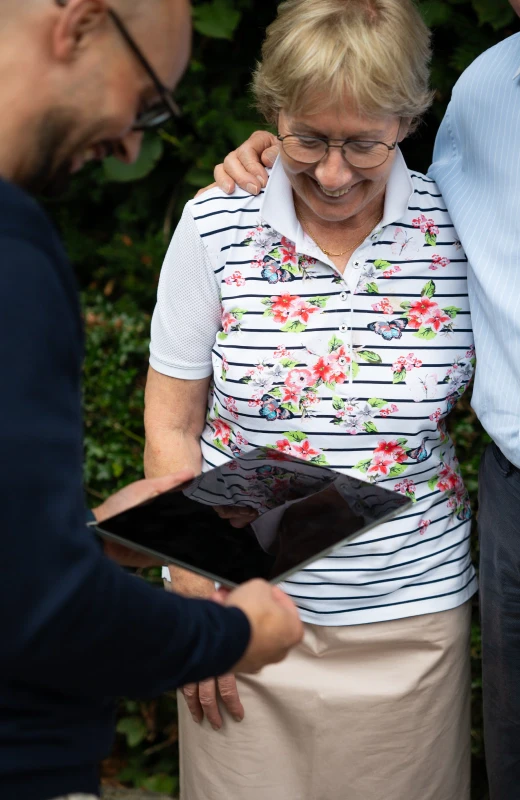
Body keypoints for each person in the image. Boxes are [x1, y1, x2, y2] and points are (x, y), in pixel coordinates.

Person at [214, 0, 520, 797]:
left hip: (437, 579)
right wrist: (288, 149)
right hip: (518, 519)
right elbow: (382, 206)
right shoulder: (486, 90)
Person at [145, 1, 476, 798]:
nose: (333, 173)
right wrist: (195, 591)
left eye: (362, 142)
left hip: (409, 618)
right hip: (245, 615)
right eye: (308, 140)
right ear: (273, 116)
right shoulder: (216, 224)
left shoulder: (460, 227)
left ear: (408, 117)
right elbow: (172, 419)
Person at [0, 2, 303, 800]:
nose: (133, 143)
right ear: (79, 24)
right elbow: (48, 614)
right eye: (146, 102)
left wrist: (86, 540)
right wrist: (234, 633)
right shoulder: (12, 259)